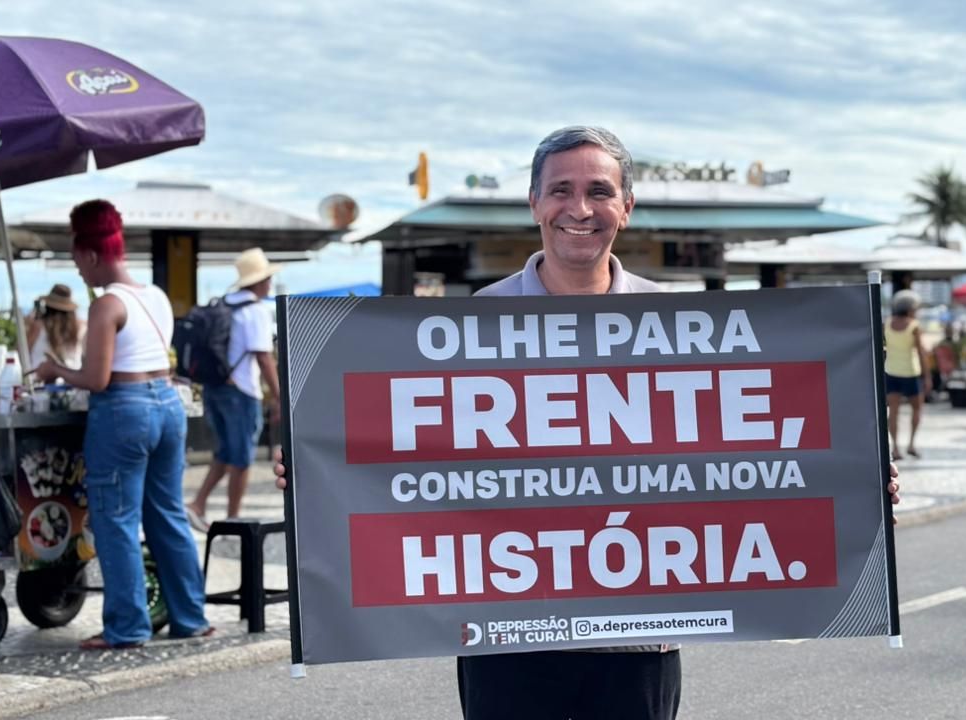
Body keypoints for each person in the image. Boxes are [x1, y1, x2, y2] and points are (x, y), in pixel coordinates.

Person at [274, 126, 900, 720]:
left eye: (599, 191)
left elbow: (747, 447)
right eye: (561, 190)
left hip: (638, 636)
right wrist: (319, 465)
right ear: (535, 204)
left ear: (626, 207)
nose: (580, 208)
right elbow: (411, 451)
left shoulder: (680, 322)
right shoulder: (472, 322)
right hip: (505, 633)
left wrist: (857, 477)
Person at [34, 200, 211, 649]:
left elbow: (97, 379)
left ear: (92, 255)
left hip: (124, 412)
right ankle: (191, 617)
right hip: (168, 407)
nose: (79, 272)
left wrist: (55, 370)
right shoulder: (156, 296)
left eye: (78, 261)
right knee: (168, 514)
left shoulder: (106, 305)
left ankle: (128, 627)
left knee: (116, 521)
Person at [186, 248, 281, 529]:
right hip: (241, 392)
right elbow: (264, 357)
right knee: (241, 459)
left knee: (225, 453)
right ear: (259, 281)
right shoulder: (256, 311)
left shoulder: (224, 304)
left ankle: (198, 504)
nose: (270, 283)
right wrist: (279, 397)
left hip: (215, 388)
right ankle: (234, 518)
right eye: (268, 279)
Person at [884, 289, 931, 460]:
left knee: (893, 412)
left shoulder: (886, 323)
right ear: (911, 308)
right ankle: (911, 444)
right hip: (911, 372)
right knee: (917, 409)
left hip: (891, 371)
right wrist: (927, 376)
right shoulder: (914, 326)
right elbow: (921, 352)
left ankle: (895, 448)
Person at [26, 283, 85, 369]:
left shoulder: (38, 325)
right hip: (72, 373)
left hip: (41, 374)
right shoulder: (80, 326)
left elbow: (23, 351)